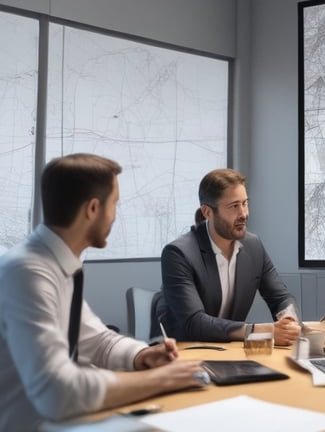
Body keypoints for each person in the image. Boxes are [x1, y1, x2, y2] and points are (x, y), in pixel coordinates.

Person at [0, 154, 207, 431]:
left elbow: (96, 340)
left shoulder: (56, 264)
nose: (114, 216)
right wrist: (163, 379)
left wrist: (142, 355)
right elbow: (56, 392)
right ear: (93, 209)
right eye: (115, 205)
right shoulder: (28, 272)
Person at [158, 168, 300, 344]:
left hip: (230, 352)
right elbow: (194, 323)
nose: (243, 214)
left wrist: (288, 320)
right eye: (234, 206)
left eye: (245, 203)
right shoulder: (178, 254)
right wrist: (259, 331)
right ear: (207, 212)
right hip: (187, 352)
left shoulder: (253, 246)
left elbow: (281, 297)